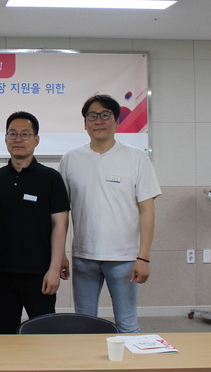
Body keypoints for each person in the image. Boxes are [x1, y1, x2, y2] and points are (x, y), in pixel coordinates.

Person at [60, 94, 161, 333]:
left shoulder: (137, 158)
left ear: (117, 121)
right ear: (85, 123)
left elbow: (147, 211)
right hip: (84, 256)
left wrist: (143, 258)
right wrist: (61, 254)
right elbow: (61, 213)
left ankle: (129, 360)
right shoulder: (70, 159)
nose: (99, 121)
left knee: (127, 324)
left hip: (124, 258)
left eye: (105, 115)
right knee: (84, 325)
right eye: (92, 116)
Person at [0, 111, 70, 334]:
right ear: (5, 138)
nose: (18, 139)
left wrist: (54, 269)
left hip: (40, 274)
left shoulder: (51, 178)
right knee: (5, 335)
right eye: (13, 134)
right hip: (3, 274)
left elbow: (60, 226)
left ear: (36, 139)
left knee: (44, 335)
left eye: (25, 134)